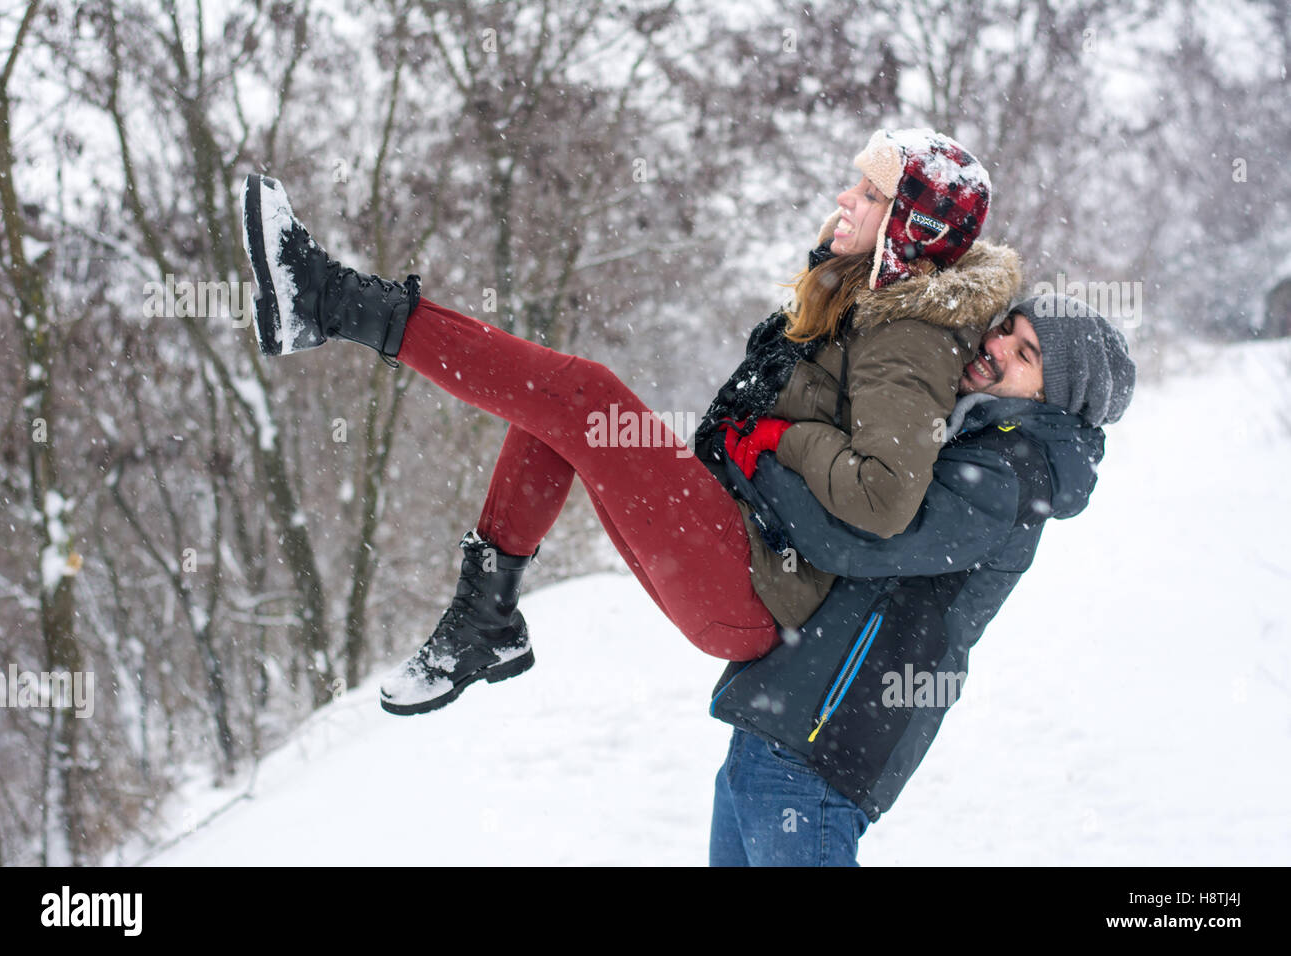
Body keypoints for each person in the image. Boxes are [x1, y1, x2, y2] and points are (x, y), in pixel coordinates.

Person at [236, 126, 1021, 722]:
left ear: (909, 223)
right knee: (559, 411)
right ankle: (486, 618)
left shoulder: (913, 331)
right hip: (736, 537)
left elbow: (885, 496)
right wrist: (833, 266)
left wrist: (785, 440)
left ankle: (331, 303)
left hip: (755, 583)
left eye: (868, 193)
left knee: (586, 397)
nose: (845, 197)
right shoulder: (867, 295)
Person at [705, 293, 1136, 867]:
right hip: (781, 723)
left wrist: (759, 456)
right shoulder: (972, 430)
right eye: (1005, 328)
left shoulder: (1007, 470)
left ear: (1049, 394)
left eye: (1024, 351)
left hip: (821, 738)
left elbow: (851, 534)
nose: (997, 345)